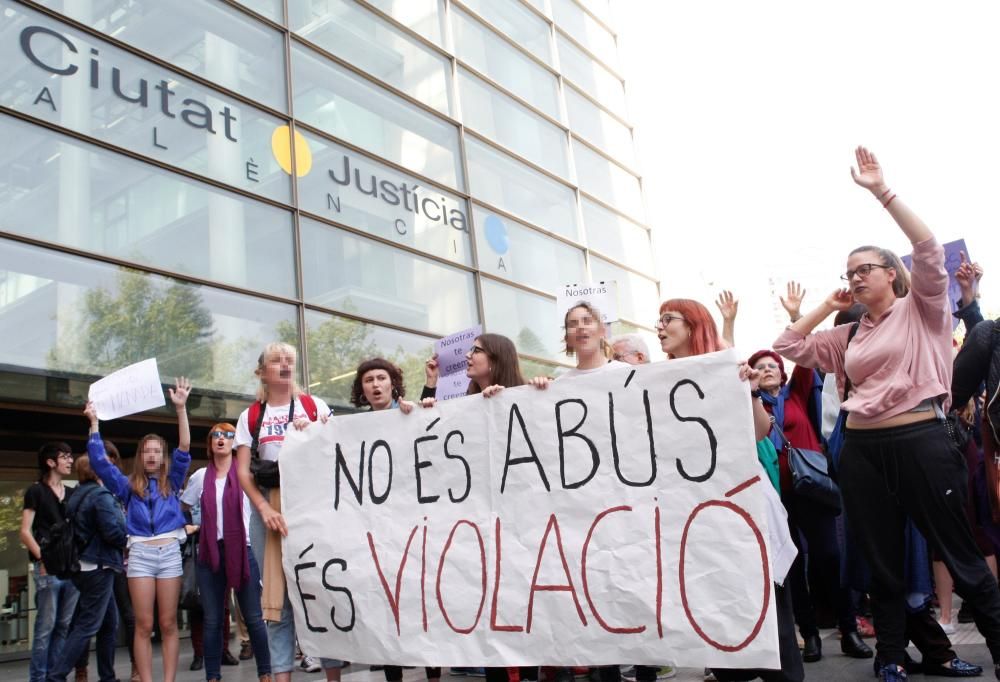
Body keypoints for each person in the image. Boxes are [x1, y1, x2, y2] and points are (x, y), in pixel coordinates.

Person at [773, 146, 1000, 681]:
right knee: (882, 562)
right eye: (848, 272)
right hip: (862, 453)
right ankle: (891, 656)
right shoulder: (848, 333)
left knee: (959, 554)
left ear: (893, 275)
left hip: (922, 442)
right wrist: (828, 305)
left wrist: (882, 191)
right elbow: (787, 344)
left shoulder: (922, 308)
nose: (854, 278)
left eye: (864, 269)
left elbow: (924, 244)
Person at [748, 281, 872, 662]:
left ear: (782, 375)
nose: (768, 369)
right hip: (777, 496)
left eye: (773, 366)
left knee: (828, 559)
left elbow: (802, 353)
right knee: (793, 565)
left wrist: (794, 315)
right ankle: (810, 635)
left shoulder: (797, 394)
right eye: (761, 367)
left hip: (813, 491)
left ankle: (848, 628)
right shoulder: (749, 404)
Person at [235, 343, 340, 682]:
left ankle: (333, 674)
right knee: (277, 601)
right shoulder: (250, 416)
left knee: (321, 594)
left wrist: (324, 429)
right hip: (269, 509)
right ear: (262, 372)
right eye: (276, 360)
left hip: (311, 507)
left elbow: (336, 453)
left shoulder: (315, 406)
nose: (284, 365)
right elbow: (242, 473)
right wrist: (263, 506)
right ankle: (282, 675)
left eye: (290, 360)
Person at [86, 377, 192, 682]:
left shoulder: (172, 482)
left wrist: (181, 408)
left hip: (169, 553)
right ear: (140, 455)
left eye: (157, 450)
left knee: (169, 623)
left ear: (163, 456)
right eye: (147, 450)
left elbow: (184, 446)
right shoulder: (127, 487)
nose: (152, 455)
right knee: (144, 625)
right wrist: (94, 423)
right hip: (141, 556)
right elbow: (99, 461)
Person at [349, 359, 442, 682]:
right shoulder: (352, 430)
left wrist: (429, 390)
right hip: (380, 531)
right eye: (368, 380)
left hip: (416, 526)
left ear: (393, 383)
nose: (375, 385)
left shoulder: (408, 412)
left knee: (423, 600)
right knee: (387, 604)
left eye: (381, 378)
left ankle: (433, 675)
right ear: (361, 389)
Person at [181, 424, 271, 682]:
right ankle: (213, 676)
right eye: (216, 436)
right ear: (210, 443)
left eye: (228, 435)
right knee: (212, 620)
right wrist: (191, 525)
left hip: (244, 549)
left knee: (254, 617)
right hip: (210, 553)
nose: (222, 439)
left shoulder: (245, 474)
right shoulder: (200, 476)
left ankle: (265, 673)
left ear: (235, 443)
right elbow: (183, 505)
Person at [45, 450, 127, 682]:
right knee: (88, 625)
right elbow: (113, 532)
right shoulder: (101, 496)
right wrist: (130, 536)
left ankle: (107, 676)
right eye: (106, 465)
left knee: (109, 623)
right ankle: (56, 675)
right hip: (99, 566)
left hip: (83, 566)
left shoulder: (78, 494)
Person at [20, 443, 83, 682]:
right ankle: (38, 678)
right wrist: (42, 559)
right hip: (48, 569)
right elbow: (25, 532)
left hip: (71, 569)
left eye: (71, 455)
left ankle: (56, 677)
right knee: (45, 629)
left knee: (64, 626)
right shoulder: (35, 491)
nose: (70, 460)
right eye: (64, 457)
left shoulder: (71, 493)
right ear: (50, 462)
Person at [103, 441, 140, 682]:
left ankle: (137, 665)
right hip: (102, 561)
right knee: (99, 620)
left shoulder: (126, 487)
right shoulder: (92, 489)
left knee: (130, 616)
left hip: (126, 562)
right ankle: (88, 670)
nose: (106, 463)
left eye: (110, 458)